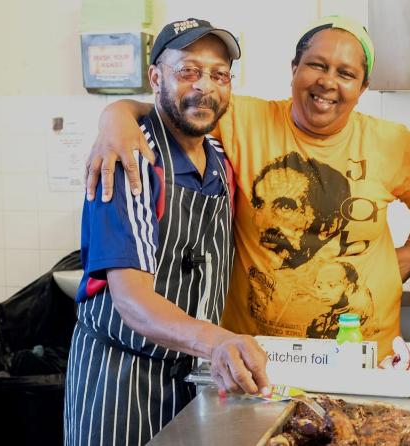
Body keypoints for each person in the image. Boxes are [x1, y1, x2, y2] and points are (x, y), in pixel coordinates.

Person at [85, 15, 410, 359]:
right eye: (316, 65)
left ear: (363, 87)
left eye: (346, 73)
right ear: (294, 70)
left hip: (362, 357)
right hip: (259, 359)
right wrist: (115, 116)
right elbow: (180, 106)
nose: (328, 81)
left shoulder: (391, 142)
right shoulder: (244, 120)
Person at [64, 19, 269, 446]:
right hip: (120, 382)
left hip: (194, 376)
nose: (205, 87)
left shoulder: (219, 159)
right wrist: (216, 341)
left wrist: (211, 350)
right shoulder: (128, 158)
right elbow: (131, 300)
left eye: (219, 75)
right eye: (188, 71)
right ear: (156, 78)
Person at [306, 261, 377, 339]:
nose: (324, 292)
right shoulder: (317, 321)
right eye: (319, 286)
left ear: (349, 289)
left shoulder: (360, 319)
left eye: (331, 285)